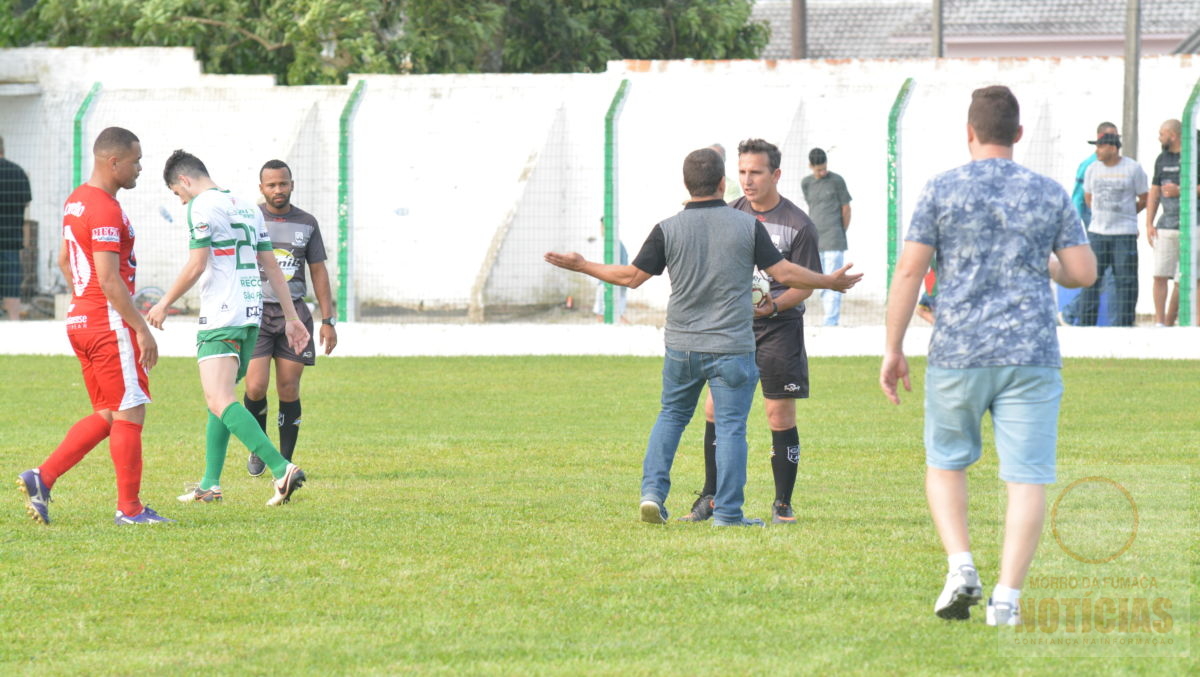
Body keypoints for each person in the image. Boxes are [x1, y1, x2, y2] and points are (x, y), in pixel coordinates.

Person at [545, 148, 862, 527]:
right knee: (730, 427)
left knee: (671, 416)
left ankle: (652, 494)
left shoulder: (668, 228)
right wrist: (828, 281)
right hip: (730, 345)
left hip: (681, 345)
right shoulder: (746, 226)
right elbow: (785, 272)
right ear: (722, 182)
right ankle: (728, 513)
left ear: (686, 184)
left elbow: (630, 276)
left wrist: (583, 265)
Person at [881, 85, 1096, 626]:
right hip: (1031, 352)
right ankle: (1008, 599)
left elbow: (909, 271)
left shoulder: (941, 189)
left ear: (970, 132)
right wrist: (1037, 261)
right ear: (1018, 134)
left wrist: (893, 348)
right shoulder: (1049, 193)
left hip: (959, 350)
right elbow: (1082, 273)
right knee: (1025, 477)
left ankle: (960, 566)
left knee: (946, 463)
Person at [17, 127, 173, 525]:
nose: (140, 168)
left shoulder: (76, 202)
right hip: (108, 323)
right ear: (113, 161)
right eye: (136, 161)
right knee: (130, 411)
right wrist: (140, 327)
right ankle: (130, 509)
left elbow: (65, 262)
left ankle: (43, 477)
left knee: (109, 413)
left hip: (82, 319)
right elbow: (107, 278)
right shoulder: (104, 208)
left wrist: (83, 301)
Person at [146, 150, 309, 507]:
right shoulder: (248, 206)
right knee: (218, 400)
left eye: (177, 193)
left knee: (219, 398)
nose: (181, 199)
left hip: (221, 315)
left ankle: (281, 468)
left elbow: (196, 263)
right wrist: (292, 317)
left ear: (184, 181)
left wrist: (162, 303)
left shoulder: (201, 206)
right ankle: (210, 483)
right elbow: (271, 266)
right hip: (250, 313)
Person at [678, 138, 821, 526]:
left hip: (781, 330)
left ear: (775, 174)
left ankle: (782, 503)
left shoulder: (798, 224)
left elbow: (804, 285)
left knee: (779, 415)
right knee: (713, 409)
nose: (747, 180)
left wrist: (773, 304)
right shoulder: (728, 214)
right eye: (741, 172)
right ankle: (709, 496)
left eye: (755, 172)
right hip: (733, 329)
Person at [243, 160, 337, 476]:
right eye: (271, 185)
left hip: (294, 314)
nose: (278, 190)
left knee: (288, 388)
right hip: (257, 314)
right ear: (261, 188)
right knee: (255, 387)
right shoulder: (250, 219)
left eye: (283, 184)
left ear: (291, 184)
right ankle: (260, 447)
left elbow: (319, 271)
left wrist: (329, 320)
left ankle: (284, 461)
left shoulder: (307, 223)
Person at [1078, 131, 1148, 327]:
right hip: (1097, 232)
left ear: (1112, 147)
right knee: (1091, 279)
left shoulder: (1133, 168)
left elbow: (1144, 197)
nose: (1097, 151)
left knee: (1126, 281)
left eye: (1100, 146)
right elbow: (1088, 197)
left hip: (1123, 233)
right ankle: (1086, 324)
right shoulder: (1092, 169)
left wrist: (1128, 214)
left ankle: (1124, 324)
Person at [1060, 122, 1117, 326]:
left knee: (1109, 273)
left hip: (1112, 227)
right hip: (1093, 225)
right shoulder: (1090, 165)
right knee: (1102, 272)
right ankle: (1070, 313)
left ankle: (1115, 322)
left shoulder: (1120, 165)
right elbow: (1079, 197)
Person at [801, 147, 852, 326]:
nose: (822, 172)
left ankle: (831, 321)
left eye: (824, 168)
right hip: (815, 240)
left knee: (833, 280)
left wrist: (839, 231)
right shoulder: (806, 183)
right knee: (819, 280)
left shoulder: (837, 181)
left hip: (834, 239)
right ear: (810, 166)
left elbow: (846, 209)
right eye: (818, 169)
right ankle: (827, 318)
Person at [1145, 119, 1184, 326]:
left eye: (1161, 134)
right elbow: (1154, 191)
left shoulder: (1192, 157)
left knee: (1183, 278)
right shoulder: (1161, 159)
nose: (1159, 138)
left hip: (1189, 225)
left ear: (1172, 135)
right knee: (1160, 274)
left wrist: (1181, 190)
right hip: (1165, 226)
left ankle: (1170, 320)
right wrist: (1149, 222)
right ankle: (1160, 323)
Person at [0, 136, 32, 321]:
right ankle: (14, 322)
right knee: (12, 287)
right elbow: (26, 203)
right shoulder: (17, 172)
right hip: (11, 241)